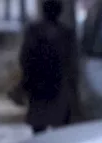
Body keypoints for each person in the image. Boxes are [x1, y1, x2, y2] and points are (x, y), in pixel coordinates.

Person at [19, 0, 79, 135]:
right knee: (61, 129)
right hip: (59, 87)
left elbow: (24, 58)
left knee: (38, 129)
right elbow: (71, 64)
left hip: (37, 87)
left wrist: (26, 80)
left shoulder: (33, 31)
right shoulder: (66, 34)